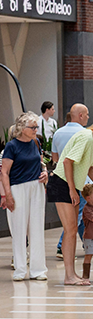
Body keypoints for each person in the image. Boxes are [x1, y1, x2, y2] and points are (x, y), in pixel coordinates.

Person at [48, 115, 93, 286]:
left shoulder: (92, 141)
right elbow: (66, 162)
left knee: (71, 230)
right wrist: (73, 189)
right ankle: (69, 276)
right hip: (62, 183)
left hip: (69, 184)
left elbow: (89, 168)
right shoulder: (86, 137)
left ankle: (71, 274)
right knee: (70, 230)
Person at [1, 112, 49, 281]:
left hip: (36, 187)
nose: (36, 130)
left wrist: (45, 173)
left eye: (36, 127)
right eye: (33, 127)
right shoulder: (12, 146)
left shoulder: (35, 143)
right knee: (19, 229)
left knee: (36, 228)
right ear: (22, 128)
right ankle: (20, 270)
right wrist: (7, 195)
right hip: (17, 189)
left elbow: (40, 164)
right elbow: (4, 172)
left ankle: (38, 270)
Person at [51, 104, 90, 258]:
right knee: (74, 222)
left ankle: (87, 244)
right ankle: (63, 246)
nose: (88, 117)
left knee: (73, 222)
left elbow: (55, 159)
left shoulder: (58, 133)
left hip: (60, 179)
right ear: (80, 115)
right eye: (86, 114)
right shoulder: (85, 134)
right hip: (78, 181)